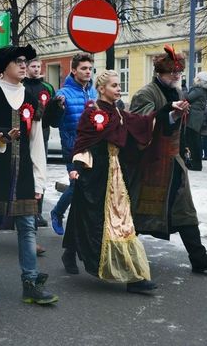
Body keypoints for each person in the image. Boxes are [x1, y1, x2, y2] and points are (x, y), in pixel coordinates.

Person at [0, 44, 58, 305]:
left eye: (25, 61)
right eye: (18, 61)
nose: (23, 65)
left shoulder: (31, 98)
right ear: (4, 66)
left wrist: (39, 179)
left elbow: (36, 144)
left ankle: (30, 282)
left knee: (28, 227)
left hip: (23, 177)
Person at [129, 45, 207, 273]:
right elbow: (140, 124)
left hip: (174, 160)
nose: (175, 76)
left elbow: (179, 127)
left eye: (178, 72)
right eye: (170, 72)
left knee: (185, 209)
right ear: (159, 73)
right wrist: (169, 112)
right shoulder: (146, 93)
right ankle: (121, 254)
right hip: (151, 164)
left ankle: (199, 258)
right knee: (139, 213)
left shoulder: (179, 92)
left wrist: (184, 149)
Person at [63, 70, 158, 293]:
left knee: (120, 221)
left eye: (118, 85)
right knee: (94, 219)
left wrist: (165, 115)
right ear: (102, 88)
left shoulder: (119, 111)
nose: (118, 89)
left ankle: (132, 275)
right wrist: (77, 167)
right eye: (114, 85)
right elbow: (83, 141)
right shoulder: (92, 112)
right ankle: (120, 271)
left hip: (115, 175)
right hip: (95, 176)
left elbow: (141, 124)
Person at [49, 53, 97, 241]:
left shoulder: (93, 92)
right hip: (73, 147)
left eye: (90, 69)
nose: (87, 72)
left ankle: (84, 226)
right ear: (74, 70)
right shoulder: (63, 93)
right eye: (83, 68)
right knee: (77, 185)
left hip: (93, 146)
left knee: (89, 187)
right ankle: (57, 212)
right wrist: (56, 108)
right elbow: (54, 121)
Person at [23, 57, 55, 227]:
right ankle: (24, 209)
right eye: (33, 66)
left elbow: (52, 111)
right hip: (24, 131)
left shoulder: (47, 87)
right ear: (27, 68)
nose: (36, 69)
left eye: (38, 66)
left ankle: (38, 212)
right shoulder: (22, 85)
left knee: (40, 169)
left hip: (43, 131)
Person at [183, 71, 207, 171]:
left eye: (196, 77)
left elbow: (187, 98)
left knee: (194, 141)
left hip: (194, 118)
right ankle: (195, 163)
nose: (194, 79)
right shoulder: (202, 90)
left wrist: (183, 89)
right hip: (197, 117)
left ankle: (196, 164)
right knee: (194, 141)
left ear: (199, 80)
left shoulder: (198, 89)